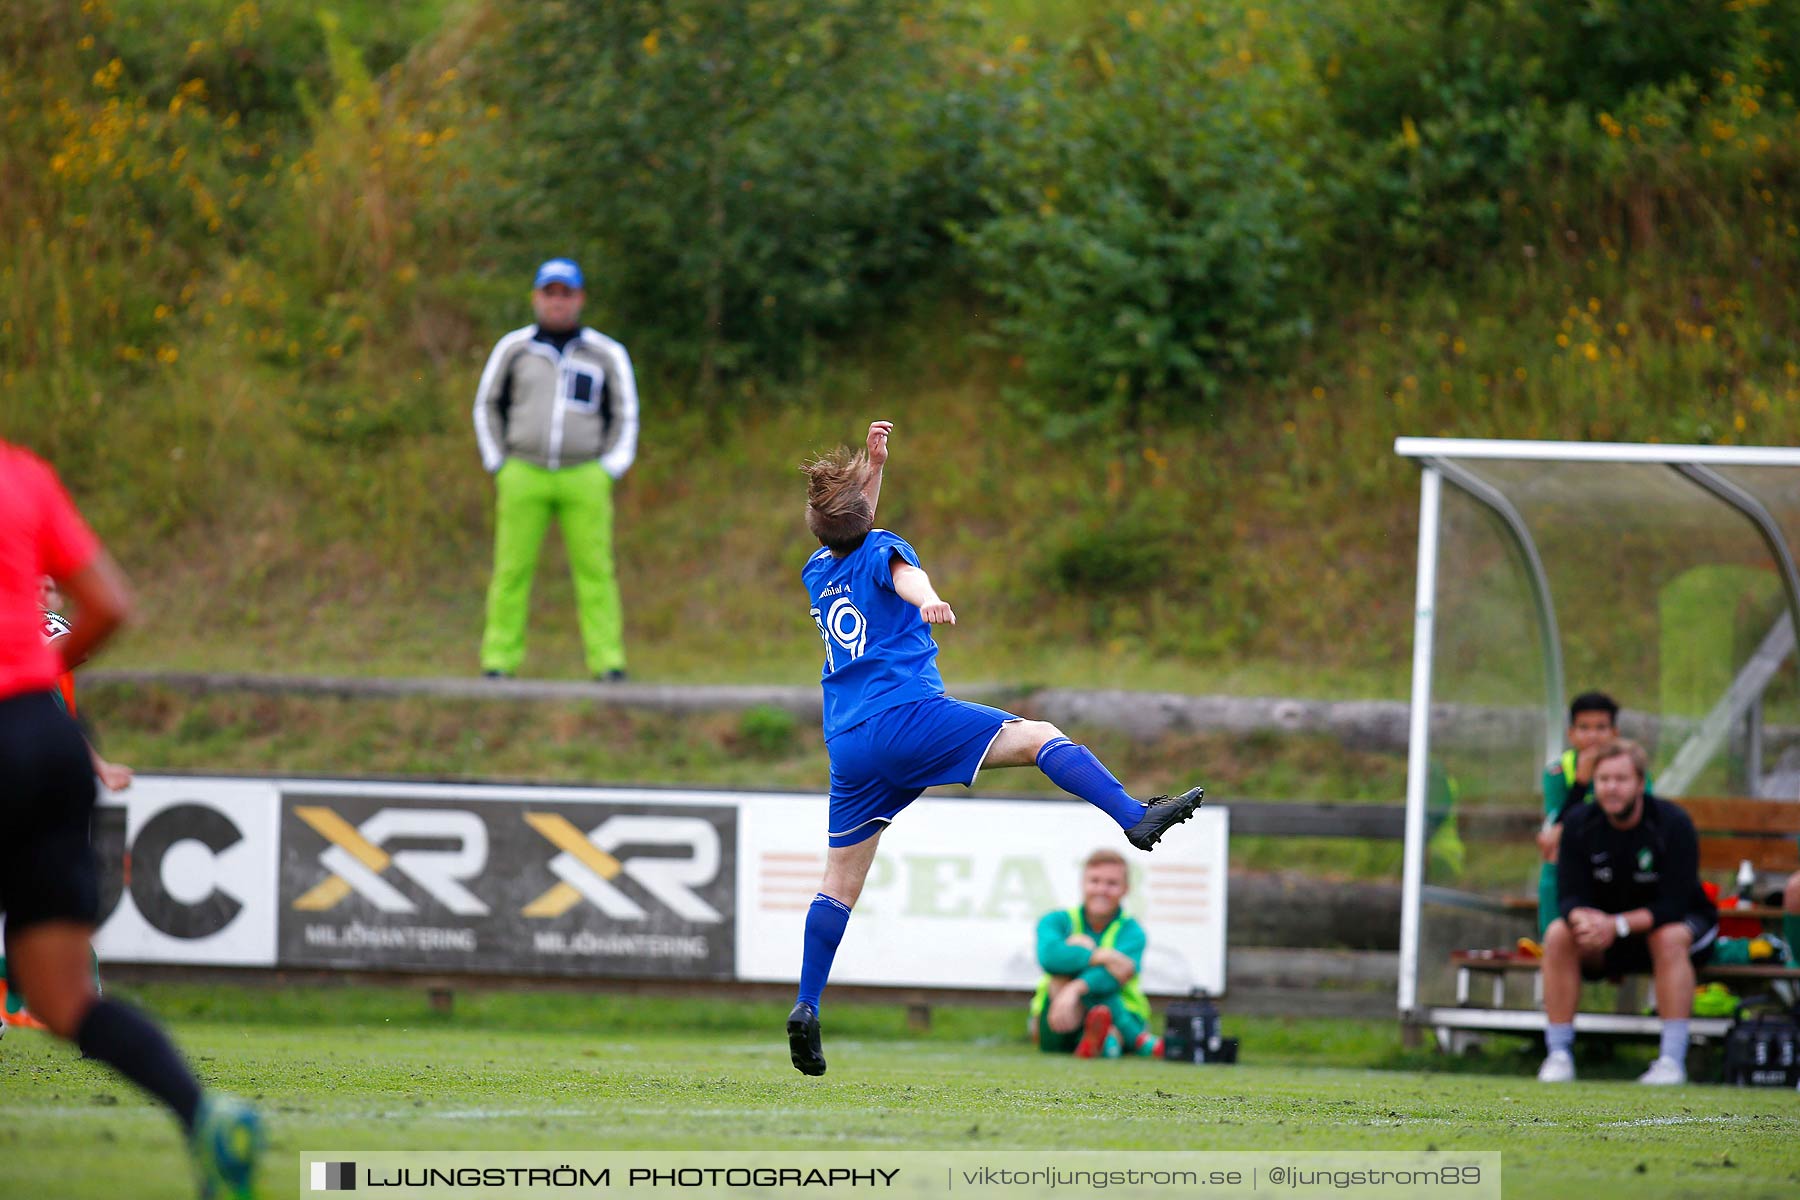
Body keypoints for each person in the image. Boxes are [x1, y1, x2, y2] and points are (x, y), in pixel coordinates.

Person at [785, 420, 1203, 1076]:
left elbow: (854, 533)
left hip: (849, 741)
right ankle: (1133, 816)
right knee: (1039, 738)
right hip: (907, 716)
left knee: (838, 884)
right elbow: (898, 571)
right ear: (867, 517)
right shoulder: (886, 549)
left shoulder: (817, 569)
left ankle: (807, 1005)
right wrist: (931, 599)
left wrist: (875, 467)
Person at [0, 439, 263, 1195]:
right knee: (64, 1000)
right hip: (46, 739)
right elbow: (111, 604)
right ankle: (204, 1116)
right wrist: (36, 675)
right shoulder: (26, 475)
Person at [473, 257, 639, 681]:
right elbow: (487, 404)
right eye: (550, 293)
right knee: (511, 570)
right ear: (537, 297)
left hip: (585, 475)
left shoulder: (606, 353)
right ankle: (499, 661)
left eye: (566, 293)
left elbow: (625, 411)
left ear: (579, 299)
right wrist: (498, 462)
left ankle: (608, 662)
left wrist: (610, 467)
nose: (558, 302)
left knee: (595, 571)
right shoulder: (514, 349)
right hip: (522, 473)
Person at [1537, 738, 1717, 1086]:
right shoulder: (1578, 823)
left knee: (1667, 937)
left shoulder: (1673, 823)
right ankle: (1558, 1055)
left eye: (1621, 779)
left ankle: (1671, 1061)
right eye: (1603, 780)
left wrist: (1617, 924)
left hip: (1673, 928)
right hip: (1607, 936)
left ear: (1639, 782)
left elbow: (1674, 905)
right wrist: (1582, 920)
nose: (1611, 788)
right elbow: (1569, 895)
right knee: (1559, 933)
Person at [1028, 848, 1161, 1059]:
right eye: (1095, 881)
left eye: (1111, 883)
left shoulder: (1132, 931)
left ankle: (1101, 1039)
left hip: (1122, 1012)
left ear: (1125, 889)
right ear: (1083, 883)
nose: (1102, 889)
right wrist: (1102, 956)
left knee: (1092, 987)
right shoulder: (1055, 920)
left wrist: (1076, 987)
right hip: (1061, 1014)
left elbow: (1116, 976)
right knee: (1059, 979)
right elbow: (1049, 957)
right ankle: (1127, 1040)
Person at [1535, 692, 1627, 937]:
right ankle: (1552, 937)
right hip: (1577, 853)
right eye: (1584, 728)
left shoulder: (1630, 768)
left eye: (1601, 727)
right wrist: (1580, 783)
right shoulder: (1557, 772)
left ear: (1615, 732)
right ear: (1571, 734)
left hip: (1619, 849)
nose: (1593, 736)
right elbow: (1554, 824)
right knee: (1553, 849)